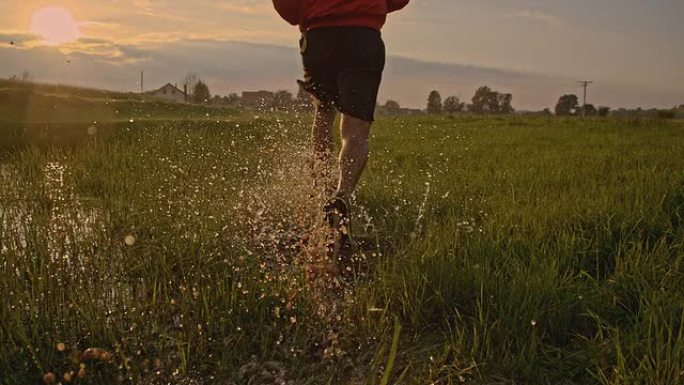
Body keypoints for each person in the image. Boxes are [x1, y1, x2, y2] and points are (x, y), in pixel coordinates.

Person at [272, 0, 410, 264]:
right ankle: (341, 196)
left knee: (323, 115)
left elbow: (286, 7)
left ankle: (322, 194)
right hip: (363, 37)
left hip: (318, 38)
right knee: (355, 131)